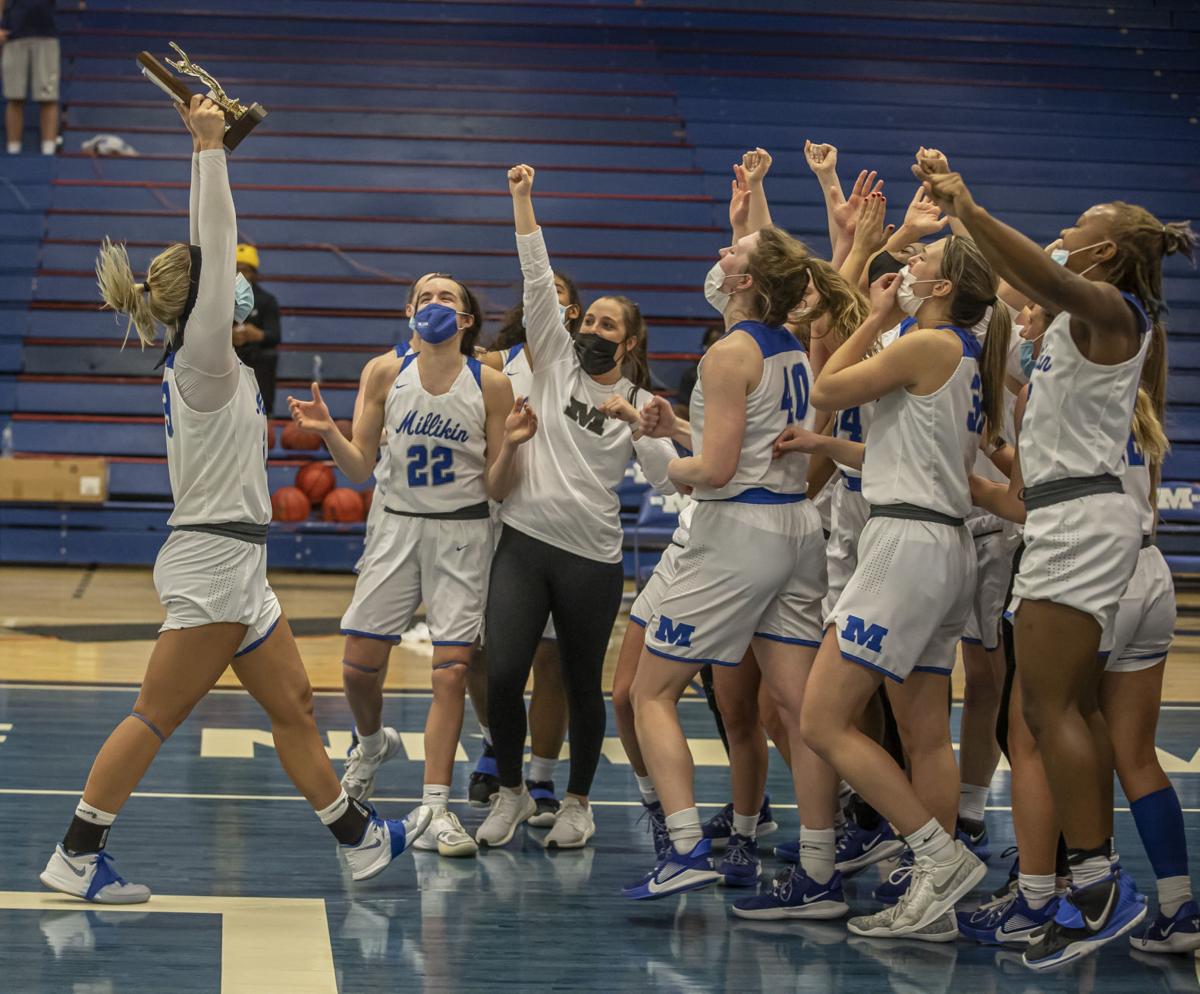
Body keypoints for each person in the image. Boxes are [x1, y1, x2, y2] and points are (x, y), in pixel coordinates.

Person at [37, 97, 431, 906]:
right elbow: (214, 246)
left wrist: (204, 149)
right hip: (214, 558)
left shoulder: (208, 362)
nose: (243, 287)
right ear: (210, 300)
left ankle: (358, 841)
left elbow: (208, 254)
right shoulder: (206, 361)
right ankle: (77, 853)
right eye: (231, 284)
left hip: (238, 561)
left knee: (294, 702)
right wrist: (212, 151)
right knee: (154, 715)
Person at [916, 153, 1194, 969]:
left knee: (1049, 708)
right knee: (1049, 711)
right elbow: (1022, 287)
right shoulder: (1082, 321)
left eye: (1078, 229)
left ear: (1105, 253)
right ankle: (1092, 886)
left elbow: (1039, 274)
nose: (1063, 235)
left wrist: (969, 209)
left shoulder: (1114, 308)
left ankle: (1100, 887)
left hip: (1081, 521)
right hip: (1072, 517)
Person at [798, 231, 1010, 939]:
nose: (909, 262)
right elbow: (904, 451)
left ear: (944, 288)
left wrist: (874, 318)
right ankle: (933, 900)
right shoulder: (964, 353)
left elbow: (826, 388)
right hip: (945, 544)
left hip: (905, 546)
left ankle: (938, 858)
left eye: (924, 258)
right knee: (924, 733)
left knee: (821, 720)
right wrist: (827, 447)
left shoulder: (925, 343)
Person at [289, 274, 538, 859]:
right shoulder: (383, 372)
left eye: (447, 297)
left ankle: (435, 808)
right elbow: (358, 467)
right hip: (395, 526)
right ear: (408, 311)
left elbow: (499, 487)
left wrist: (512, 445)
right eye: (425, 296)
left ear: (467, 319)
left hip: (463, 532)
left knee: (451, 672)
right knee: (358, 668)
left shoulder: (491, 384)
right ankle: (372, 743)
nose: (435, 304)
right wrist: (328, 433)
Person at [624, 217, 835, 907]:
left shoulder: (727, 353)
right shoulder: (793, 349)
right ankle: (820, 871)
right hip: (795, 527)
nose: (721, 251)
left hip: (739, 531)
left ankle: (686, 848)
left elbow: (714, 470)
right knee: (800, 711)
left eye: (734, 250)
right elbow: (748, 443)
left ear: (744, 280)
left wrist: (670, 463)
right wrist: (681, 428)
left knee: (650, 692)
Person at [476, 163, 676, 850]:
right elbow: (537, 276)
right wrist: (522, 199)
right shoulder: (555, 361)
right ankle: (509, 793)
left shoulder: (642, 403)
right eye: (588, 318)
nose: (591, 328)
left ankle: (578, 802)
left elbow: (671, 481)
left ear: (630, 342)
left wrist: (647, 427)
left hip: (591, 557)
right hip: (524, 543)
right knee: (505, 673)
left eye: (606, 324)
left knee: (582, 685)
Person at [463, 281, 582, 822]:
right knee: (478, 653)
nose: (544, 297)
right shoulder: (492, 365)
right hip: (491, 519)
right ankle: (496, 744)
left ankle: (542, 775)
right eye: (539, 288)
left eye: (556, 291)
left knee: (551, 660)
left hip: (555, 523)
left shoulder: (584, 371)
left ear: (571, 312)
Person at [1, 0, 58, 155]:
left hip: (46, 33)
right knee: (14, 97)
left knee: (48, 96)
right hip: (13, 35)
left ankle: (48, 153)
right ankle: (13, 152)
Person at [232, 243, 282, 414]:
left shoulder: (267, 300)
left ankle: (264, 416)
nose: (240, 274)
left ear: (254, 273)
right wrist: (227, 336)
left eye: (245, 270)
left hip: (257, 362)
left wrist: (257, 335)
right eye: (236, 269)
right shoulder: (221, 299)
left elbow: (274, 336)